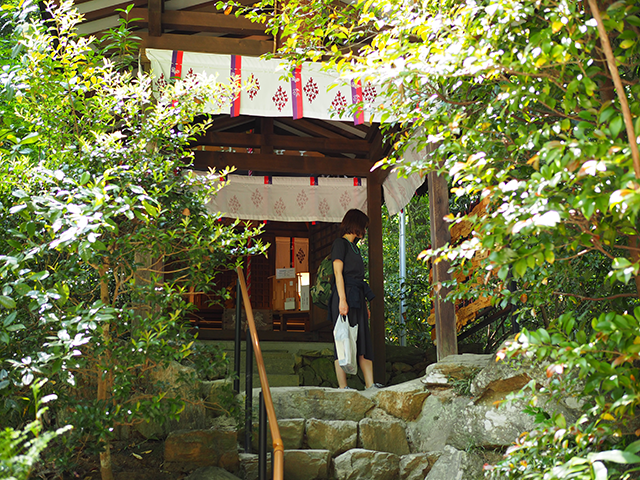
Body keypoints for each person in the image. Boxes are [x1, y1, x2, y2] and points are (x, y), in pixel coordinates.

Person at [328, 208, 382, 390]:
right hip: (344, 295)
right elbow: (337, 272)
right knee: (343, 338)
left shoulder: (355, 248)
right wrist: (342, 300)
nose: (365, 231)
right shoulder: (339, 244)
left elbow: (359, 280)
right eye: (363, 227)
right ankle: (343, 387)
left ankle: (370, 384)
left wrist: (365, 304)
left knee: (363, 340)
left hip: (357, 296)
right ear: (356, 224)